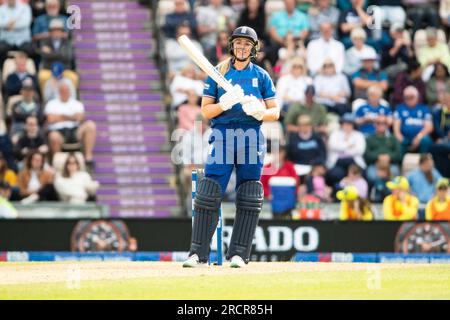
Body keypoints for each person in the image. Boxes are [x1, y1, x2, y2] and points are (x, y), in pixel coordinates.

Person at [183, 26, 280, 268]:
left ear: (254, 48)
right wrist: (224, 104)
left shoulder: (262, 75)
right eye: (238, 43)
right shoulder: (218, 73)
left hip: (251, 135)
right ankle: (197, 254)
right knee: (209, 191)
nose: (242, 47)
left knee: (249, 194)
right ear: (232, 45)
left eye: (247, 44)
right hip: (223, 134)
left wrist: (260, 111)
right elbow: (205, 111)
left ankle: (238, 254)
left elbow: (275, 111)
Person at [45, 82, 97, 166]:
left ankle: (88, 157)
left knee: (90, 125)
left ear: (70, 92)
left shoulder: (77, 103)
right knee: (53, 136)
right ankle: (57, 162)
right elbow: (50, 119)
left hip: (74, 130)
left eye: (67, 91)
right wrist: (72, 116)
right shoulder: (51, 104)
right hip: (59, 131)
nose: (65, 93)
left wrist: (60, 117)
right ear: (59, 92)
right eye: (63, 91)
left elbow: (80, 117)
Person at [37, 18, 78, 91]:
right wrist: (61, 53)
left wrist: (51, 53)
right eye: (54, 30)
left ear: (62, 32)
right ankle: (45, 100)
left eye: (58, 30)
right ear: (50, 32)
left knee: (73, 77)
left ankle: (70, 99)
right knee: (42, 76)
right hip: (49, 69)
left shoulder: (67, 42)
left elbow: (68, 56)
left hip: (65, 70)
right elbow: (44, 56)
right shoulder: (44, 41)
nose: (56, 32)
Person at [326, 113, 366, 188]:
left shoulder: (359, 135)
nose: (347, 126)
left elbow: (360, 150)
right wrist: (349, 145)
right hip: (337, 162)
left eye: (349, 124)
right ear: (341, 124)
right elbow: (332, 146)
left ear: (353, 125)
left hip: (354, 161)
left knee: (360, 173)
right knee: (335, 174)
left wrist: (342, 148)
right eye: (345, 123)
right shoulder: (335, 134)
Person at [393, 86, 433, 157]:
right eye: (407, 97)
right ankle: (400, 163)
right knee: (396, 140)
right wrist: (399, 136)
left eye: (412, 97)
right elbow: (396, 125)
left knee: (426, 140)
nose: (409, 99)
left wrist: (418, 137)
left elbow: (429, 127)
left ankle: (423, 161)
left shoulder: (424, 108)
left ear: (417, 97)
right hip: (405, 137)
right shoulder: (400, 108)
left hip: (420, 136)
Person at [364, 115, 401, 186]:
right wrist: (378, 157)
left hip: (390, 164)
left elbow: (398, 154)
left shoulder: (392, 138)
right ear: (374, 124)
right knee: (372, 175)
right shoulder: (369, 138)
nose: (381, 125)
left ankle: (392, 194)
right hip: (374, 164)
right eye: (378, 123)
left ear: (387, 125)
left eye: (384, 123)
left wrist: (388, 157)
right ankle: (378, 193)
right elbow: (367, 155)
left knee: (395, 172)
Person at [0, 0, 33, 68]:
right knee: (1, 50)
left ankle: (28, 73)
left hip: (22, 40)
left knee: (31, 51)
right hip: (6, 40)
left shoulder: (25, 7)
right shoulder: (1, 8)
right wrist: (8, 24)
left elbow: (25, 23)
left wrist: (7, 25)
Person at [430, 92, 450, 178]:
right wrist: (445, 136)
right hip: (444, 140)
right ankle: (444, 176)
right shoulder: (438, 113)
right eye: (446, 101)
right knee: (435, 148)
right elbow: (437, 129)